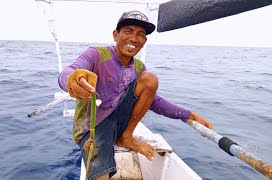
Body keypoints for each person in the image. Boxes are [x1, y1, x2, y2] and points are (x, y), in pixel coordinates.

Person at [58, 10, 213, 180]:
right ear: (116, 35)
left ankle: (126, 136)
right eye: (128, 31)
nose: (134, 38)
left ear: (144, 42)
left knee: (150, 79)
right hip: (94, 127)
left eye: (140, 34)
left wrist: (188, 115)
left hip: (120, 121)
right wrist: (72, 80)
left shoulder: (139, 67)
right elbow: (70, 71)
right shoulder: (96, 54)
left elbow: (154, 101)